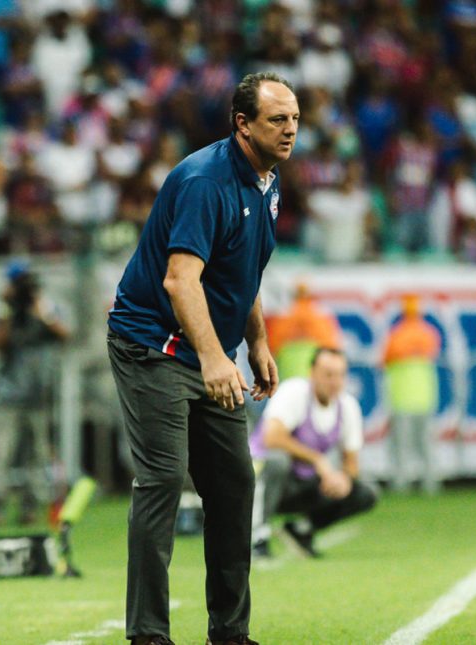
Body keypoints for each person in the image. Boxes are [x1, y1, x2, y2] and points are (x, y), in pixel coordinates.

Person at [106, 72, 297, 645]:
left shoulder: (268, 182)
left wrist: (257, 341)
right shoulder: (204, 182)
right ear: (243, 124)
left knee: (235, 483)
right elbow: (180, 280)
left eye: (294, 119)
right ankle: (148, 635)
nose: (290, 130)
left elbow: (243, 269)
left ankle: (229, 634)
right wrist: (216, 359)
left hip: (207, 348)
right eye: (277, 120)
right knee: (163, 479)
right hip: (153, 345)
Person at [249, 347, 376, 559]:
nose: (334, 382)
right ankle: (257, 538)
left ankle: (301, 529)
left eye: (340, 375)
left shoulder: (347, 407)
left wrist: (344, 479)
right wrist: (317, 460)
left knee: (365, 492)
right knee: (277, 461)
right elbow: (271, 438)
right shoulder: (294, 393)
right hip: (258, 479)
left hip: (301, 484)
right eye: (328, 375)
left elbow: (352, 462)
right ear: (312, 373)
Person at [0, 260, 70, 526]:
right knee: (0, 455)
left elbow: (65, 335)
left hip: (38, 397)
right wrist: (9, 310)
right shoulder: (5, 311)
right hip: (7, 397)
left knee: (36, 458)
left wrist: (41, 311)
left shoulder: (46, 308)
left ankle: (30, 507)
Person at [383, 294, 442, 494]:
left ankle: (401, 483)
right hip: (425, 396)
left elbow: (385, 360)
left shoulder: (396, 334)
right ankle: (430, 482)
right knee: (426, 444)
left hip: (402, 397)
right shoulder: (429, 333)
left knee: (401, 445)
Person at [266, 282, 342, 381]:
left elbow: (271, 349)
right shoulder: (321, 316)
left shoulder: (283, 316)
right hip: (316, 373)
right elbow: (333, 348)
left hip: (288, 374)